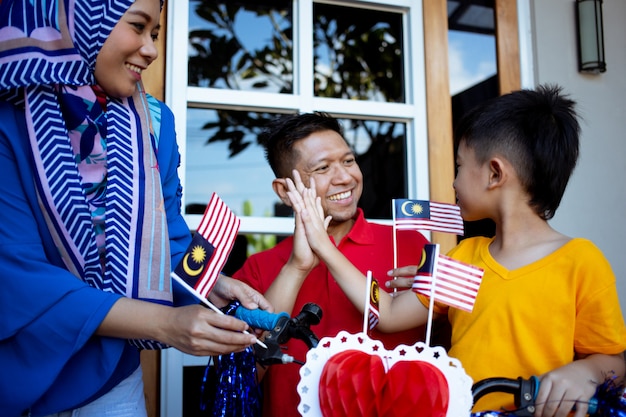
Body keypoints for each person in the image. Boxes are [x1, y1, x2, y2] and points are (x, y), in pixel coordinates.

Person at [286, 85, 626, 417]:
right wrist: (324, 248)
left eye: (460, 167)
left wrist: (585, 373)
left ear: (494, 173)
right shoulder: (462, 257)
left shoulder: (581, 261)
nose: (453, 182)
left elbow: (612, 360)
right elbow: (387, 314)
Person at [0, 1, 271, 416]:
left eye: (156, 34)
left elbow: (167, 242)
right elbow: (16, 276)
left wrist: (209, 287)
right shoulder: (7, 117)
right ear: (75, 20)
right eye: (137, 27)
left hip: (112, 382)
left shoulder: (155, 124)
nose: (151, 49)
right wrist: (166, 325)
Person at [232, 112, 430, 417]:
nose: (344, 177)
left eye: (349, 161)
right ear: (285, 191)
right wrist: (296, 268)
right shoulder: (259, 268)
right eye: (323, 168)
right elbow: (241, 380)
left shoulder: (409, 245)